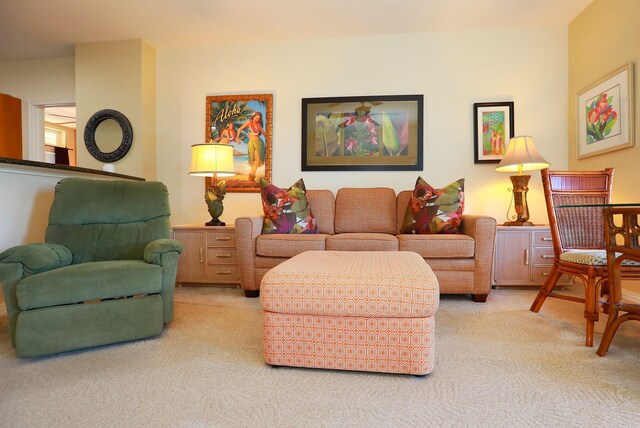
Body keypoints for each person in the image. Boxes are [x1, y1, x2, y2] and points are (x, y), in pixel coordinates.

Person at [237, 112, 266, 182]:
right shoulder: (248, 123)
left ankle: (252, 175)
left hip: (259, 143)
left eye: (258, 118)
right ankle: (252, 175)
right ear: (253, 116)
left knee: (257, 160)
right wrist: (237, 138)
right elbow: (240, 129)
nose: (256, 119)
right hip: (251, 144)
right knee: (254, 160)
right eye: (256, 117)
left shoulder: (259, 125)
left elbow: (264, 133)